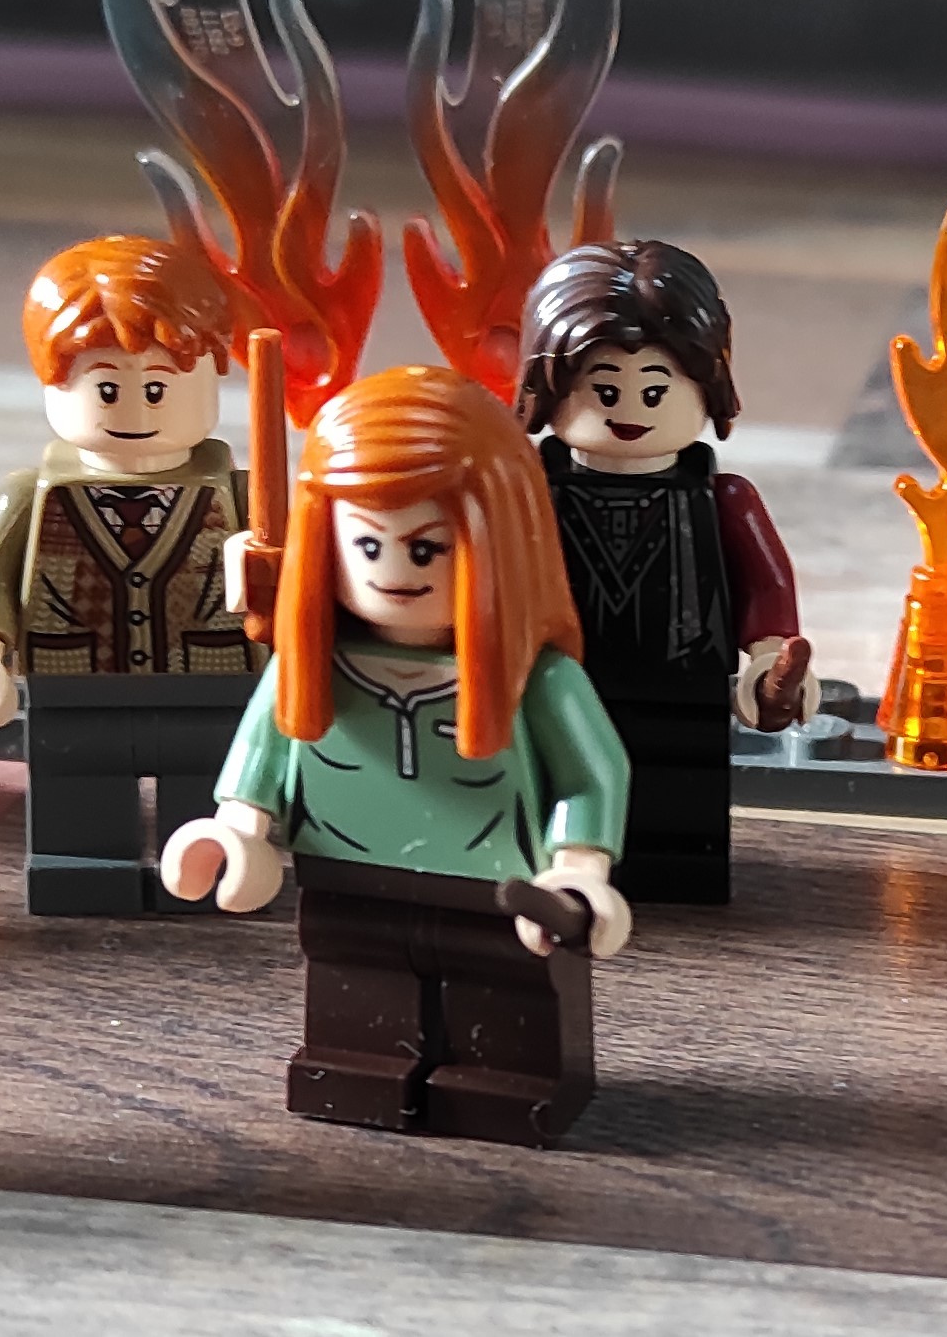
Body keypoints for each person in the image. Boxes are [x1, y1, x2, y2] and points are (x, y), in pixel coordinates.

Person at [163, 365, 633, 1147]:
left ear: (497, 537)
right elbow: (263, 754)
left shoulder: (537, 678)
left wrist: (580, 869)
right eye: (366, 542)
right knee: (356, 977)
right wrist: (236, 830)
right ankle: (356, 1068)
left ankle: (510, 1084)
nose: (392, 569)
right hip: (346, 871)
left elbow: (593, 773)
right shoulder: (311, 666)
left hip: (498, 883)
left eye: (426, 547)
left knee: (503, 993)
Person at [0, 236, 261, 914]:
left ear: (211, 376)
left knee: (203, 798)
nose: (136, 409)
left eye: (158, 386)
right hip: (73, 686)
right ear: (54, 383)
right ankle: (81, 868)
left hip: (209, 686)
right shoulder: (29, 494)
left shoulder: (246, 498)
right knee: (78, 796)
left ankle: (202, 877)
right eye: (107, 386)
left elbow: (300, 582)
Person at [514, 240, 807, 905]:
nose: (629, 410)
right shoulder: (528, 495)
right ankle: (566, 878)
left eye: (655, 389)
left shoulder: (723, 500)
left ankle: (668, 873)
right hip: (556, 686)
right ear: (549, 386)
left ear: (707, 386)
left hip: (684, 688)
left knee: (677, 807)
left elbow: (766, 585)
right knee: (554, 795)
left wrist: (769, 659)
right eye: (604, 389)